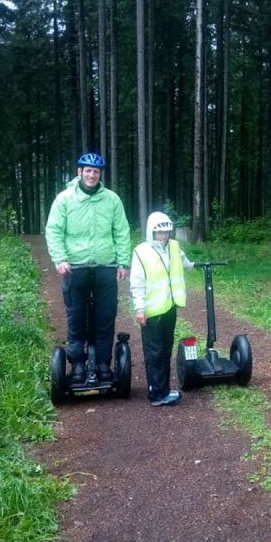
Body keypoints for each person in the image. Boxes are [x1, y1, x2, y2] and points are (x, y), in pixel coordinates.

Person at [45, 153, 131, 384]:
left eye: (96, 171)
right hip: (75, 268)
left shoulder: (112, 199)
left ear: (100, 174)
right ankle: (78, 365)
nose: (92, 175)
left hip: (105, 267)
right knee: (76, 319)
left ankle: (103, 363)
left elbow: (121, 231)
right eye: (88, 170)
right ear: (79, 172)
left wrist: (123, 262)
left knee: (105, 318)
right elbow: (53, 230)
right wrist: (60, 259)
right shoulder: (64, 199)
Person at [129, 211, 193, 407]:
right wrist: (139, 309)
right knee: (154, 353)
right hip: (151, 312)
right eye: (160, 233)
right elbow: (137, 283)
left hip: (169, 308)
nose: (164, 236)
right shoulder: (141, 252)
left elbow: (185, 263)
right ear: (151, 232)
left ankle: (163, 390)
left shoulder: (174, 247)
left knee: (166, 350)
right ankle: (156, 394)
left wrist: (195, 265)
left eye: (166, 232)